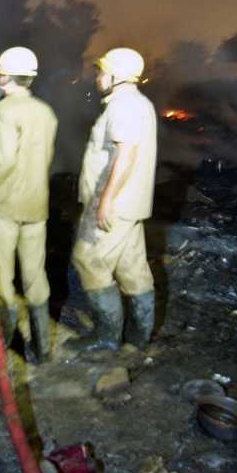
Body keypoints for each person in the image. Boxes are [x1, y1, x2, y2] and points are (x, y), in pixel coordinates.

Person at [0, 47, 59, 362]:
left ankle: (2, 345)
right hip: (36, 204)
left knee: (1, 278)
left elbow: (2, 162)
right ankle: (42, 349)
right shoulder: (45, 111)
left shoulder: (3, 111)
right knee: (35, 276)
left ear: (4, 77)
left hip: (5, 207)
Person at [65, 47, 158, 354]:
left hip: (115, 205)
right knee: (132, 269)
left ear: (116, 76)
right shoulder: (138, 103)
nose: (97, 77)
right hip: (130, 205)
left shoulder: (124, 105)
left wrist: (105, 200)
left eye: (102, 72)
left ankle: (107, 337)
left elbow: (126, 153)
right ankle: (138, 339)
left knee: (88, 259)